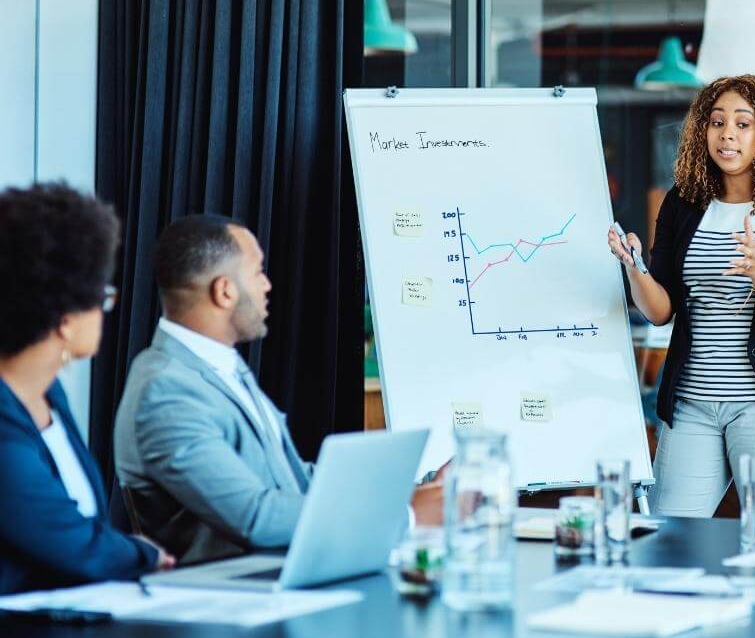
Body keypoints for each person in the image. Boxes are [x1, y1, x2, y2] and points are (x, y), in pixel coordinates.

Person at [114, 215, 443, 564]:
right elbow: (255, 517)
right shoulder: (165, 390)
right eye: (258, 272)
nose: (267, 286)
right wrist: (405, 517)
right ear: (225, 290)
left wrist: (419, 487)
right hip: (239, 599)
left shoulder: (220, 369)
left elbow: (295, 481)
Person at [609, 74, 755, 521]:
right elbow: (661, 310)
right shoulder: (682, 204)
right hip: (692, 404)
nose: (727, 132)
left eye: (743, 123)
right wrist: (634, 268)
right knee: (670, 539)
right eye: (717, 121)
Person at [0, 183, 174, 594]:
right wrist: (143, 554)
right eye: (102, 297)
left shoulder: (48, 394)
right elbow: (74, 543)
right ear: (65, 320)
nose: (104, 308)